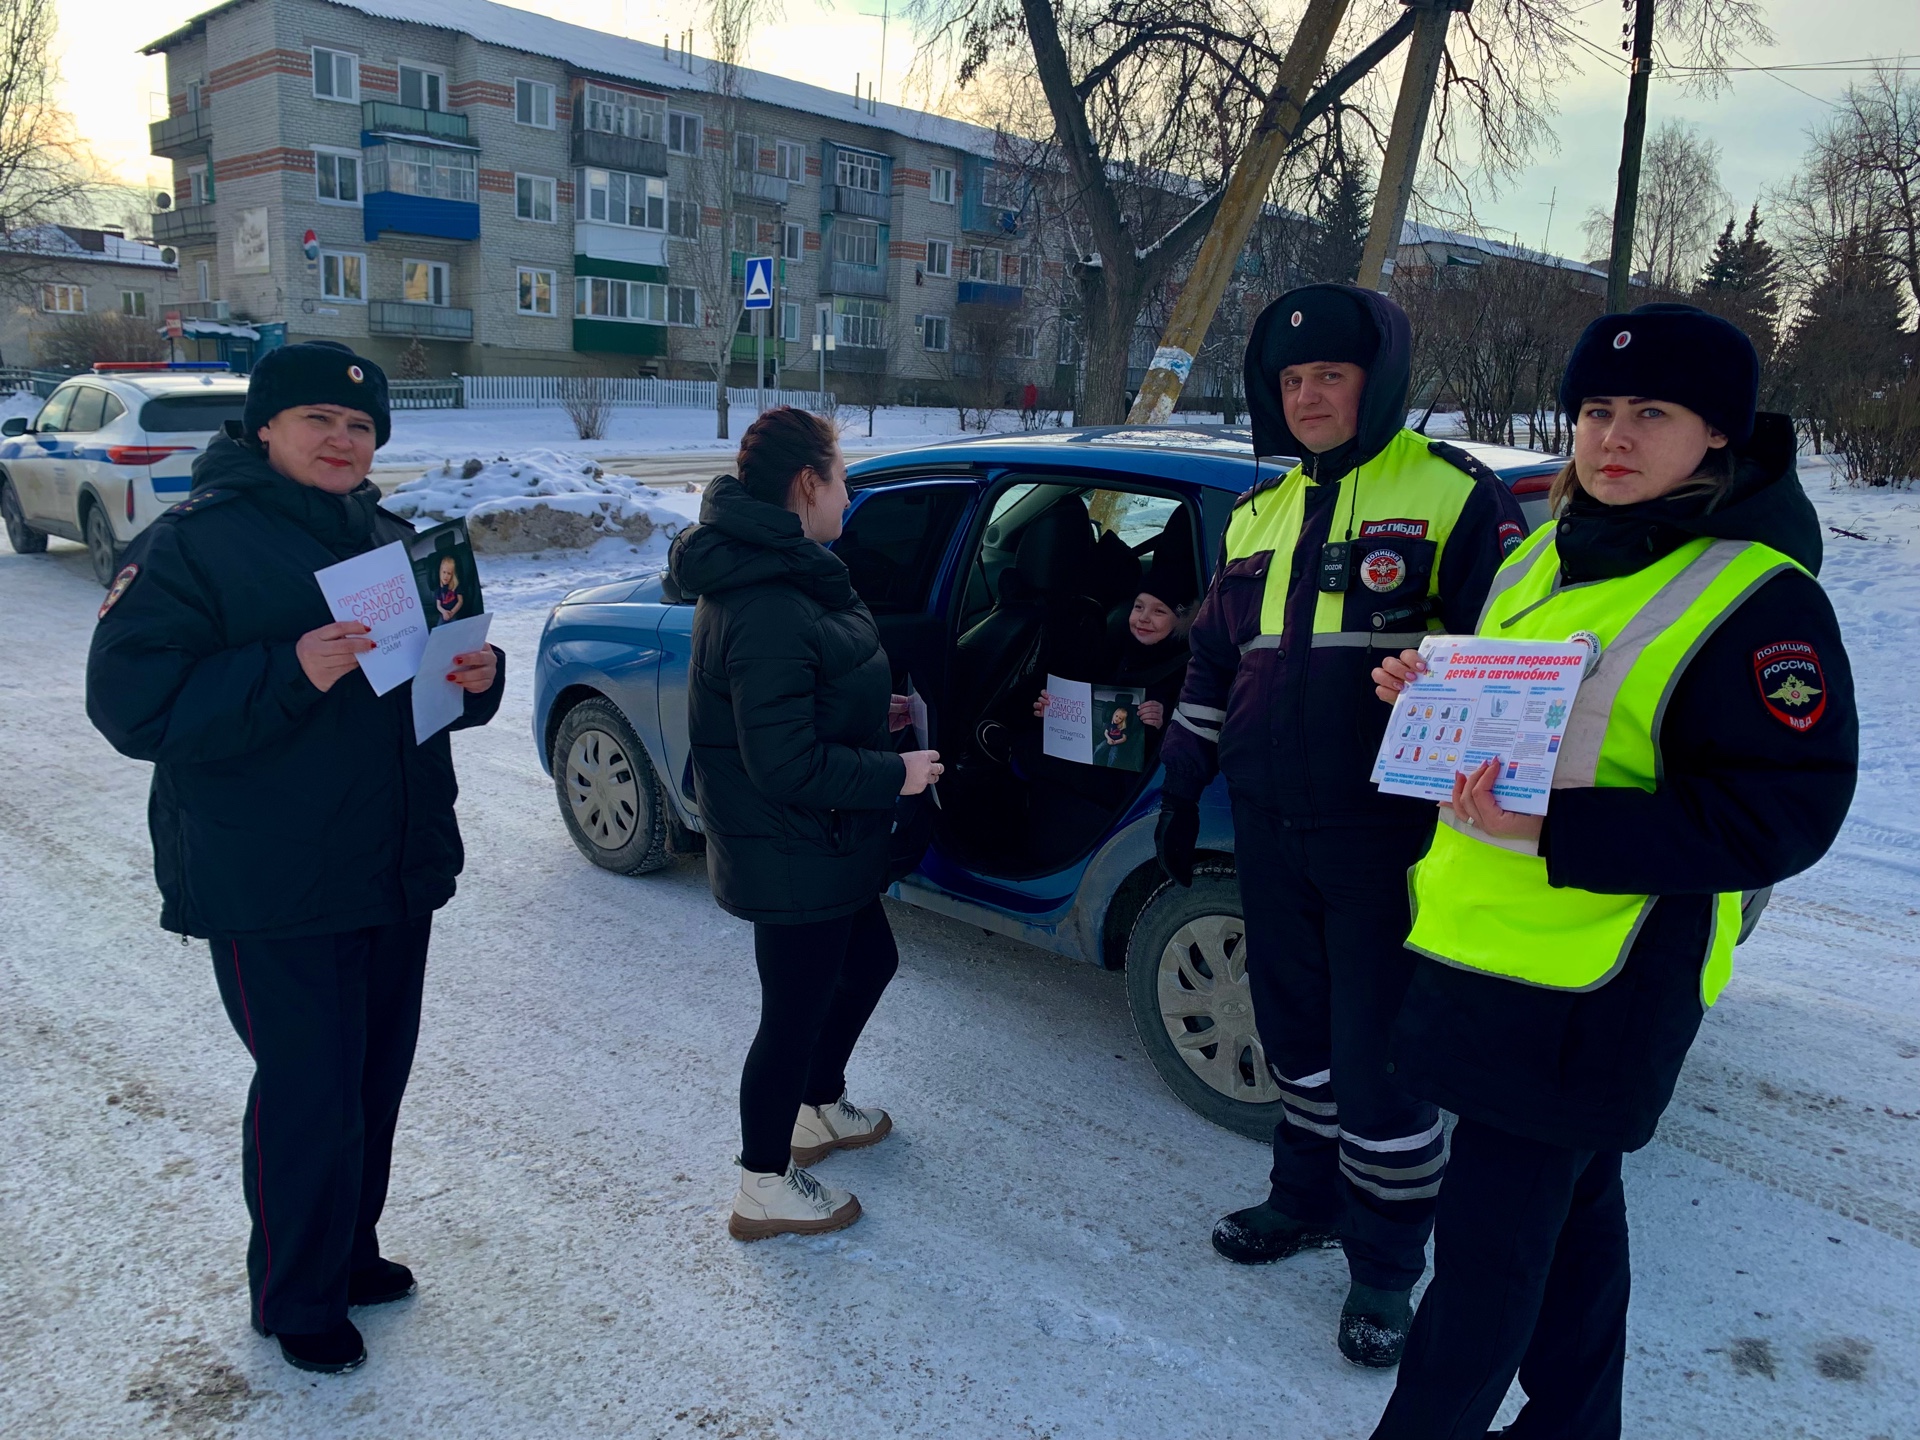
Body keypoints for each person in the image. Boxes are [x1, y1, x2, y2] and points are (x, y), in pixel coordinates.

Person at [1368, 304, 1857, 1438]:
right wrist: (1430, 696)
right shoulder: (1544, 549)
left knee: (1484, 1270)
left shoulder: (1760, 598)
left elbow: (1780, 815)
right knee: (1576, 1229)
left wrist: (1556, 833)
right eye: (1595, 409)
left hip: (1597, 992)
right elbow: (1527, 718)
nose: (1612, 436)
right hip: (1477, 955)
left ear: (1719, 438)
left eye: (1653, 413)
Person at [85, 342, 505, 1376]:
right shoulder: (194, 545)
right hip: (269, 874)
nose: (342, 440)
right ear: (264, 429)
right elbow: (131, 705)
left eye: (360, 426)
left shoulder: (404, 541)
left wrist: (478, 676)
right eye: (318, 419)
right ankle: (295, 1293)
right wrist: (288, 669)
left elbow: (440, 691)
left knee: (371, 1079)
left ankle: (346, 1252)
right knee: (309, 1089)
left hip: (390, 860)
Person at [1155, 283, 1528, 1366]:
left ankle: (1383, 1268)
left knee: (1380, 1070)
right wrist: (1182, 782)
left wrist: (1445, 701)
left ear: (1379, 381)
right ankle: (1302, 1201)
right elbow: (1215, 662)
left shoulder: (1451, 495)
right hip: (1270, 829)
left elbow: (1512, 664)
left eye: (1332, 375)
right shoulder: (1257, 512)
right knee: (1299, 1045)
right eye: (1292, 379)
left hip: (1391, 841)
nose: (1310, 395)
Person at [667, 406, 942, 1242]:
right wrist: (895, 773)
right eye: (845, 478)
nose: (851, 495)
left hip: (824, 837)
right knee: (791, 1013)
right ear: (806, 484)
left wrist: (875, 712)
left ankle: (817, 1108)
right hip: (790, 845)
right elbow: (780, 762)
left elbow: (803, 703)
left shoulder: (795, 573)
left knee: (870, 963)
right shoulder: (766, 598)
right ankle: (762, 1182)